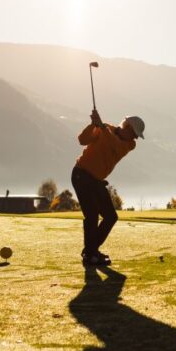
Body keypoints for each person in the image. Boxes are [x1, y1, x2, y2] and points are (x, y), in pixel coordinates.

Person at [71, 109, 145, 266]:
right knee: (91, 216)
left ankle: (90, 251)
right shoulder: (106, 128)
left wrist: (101, 127)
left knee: (111, 217)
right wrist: (93, 125)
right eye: (134, 134)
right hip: (81, 175)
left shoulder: (129, 144)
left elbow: (114, 145)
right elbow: (82, 140)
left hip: (96, 180)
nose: (135, 138)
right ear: (127, 128)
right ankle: (90, 254)